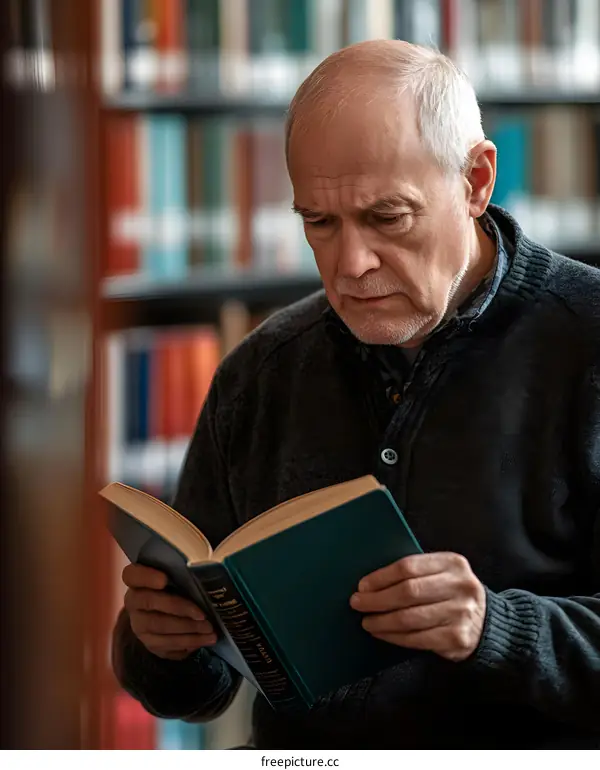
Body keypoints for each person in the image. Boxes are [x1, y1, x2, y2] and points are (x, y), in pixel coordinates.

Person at [111, 40, 600, 749]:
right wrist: (158, 644)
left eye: (387, 218)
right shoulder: (263, 371)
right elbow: (198, 693)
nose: (351, 265)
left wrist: (499, 629)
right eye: (319, 222)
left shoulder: (585, 347)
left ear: (475, 181)